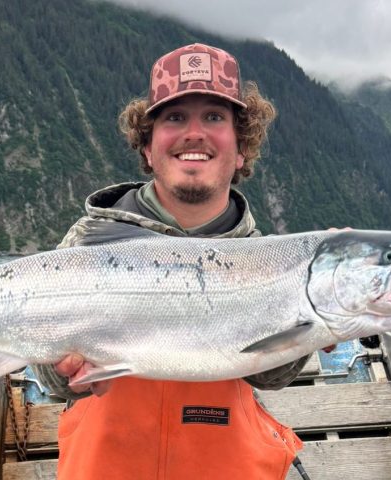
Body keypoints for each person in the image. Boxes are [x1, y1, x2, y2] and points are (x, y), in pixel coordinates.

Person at [32, 43, 306, 479]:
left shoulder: (266, 257)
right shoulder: (89, 241)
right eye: (174, 117)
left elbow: (270, 378)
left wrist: (321, 324)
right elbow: (47, 378)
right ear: (147, 146)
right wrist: (66, 374)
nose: (193, 133)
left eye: (214, 117)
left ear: (241, 149)